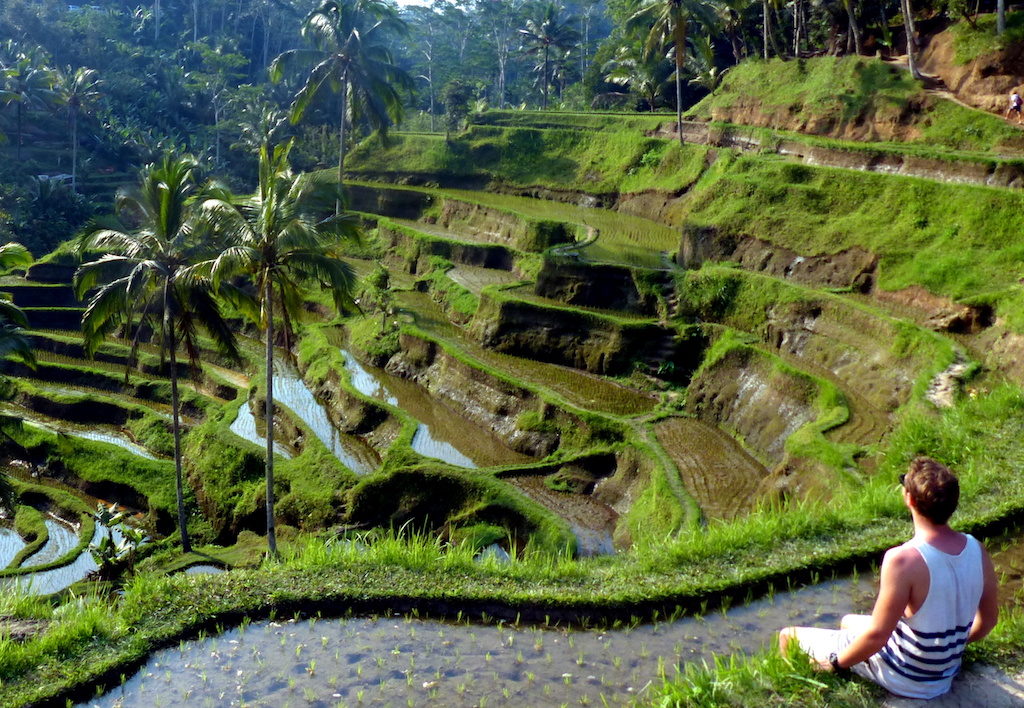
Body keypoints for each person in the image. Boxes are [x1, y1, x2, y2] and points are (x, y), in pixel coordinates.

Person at [779, 457, 999, 700]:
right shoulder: (976, 549)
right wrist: (948, 649)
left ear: (909, 499)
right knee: (849, 621)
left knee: (788, 635)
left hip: (904, 675)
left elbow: (877, 636)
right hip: (944, 671)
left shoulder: (903, 559)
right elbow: (988, 620)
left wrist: (834, 663)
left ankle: (803, 694)